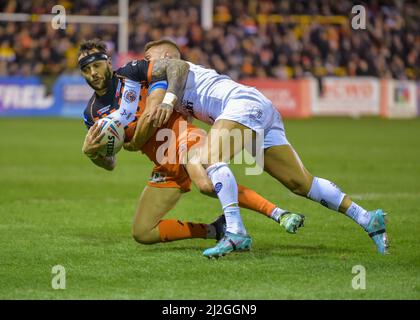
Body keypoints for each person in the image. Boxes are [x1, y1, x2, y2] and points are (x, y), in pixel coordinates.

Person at [142, 39, 389, 257]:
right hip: (257, 107)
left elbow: (179, 66)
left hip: (241, 105)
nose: (145, 65)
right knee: (301, 183)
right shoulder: (175, 85)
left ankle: (236, 232)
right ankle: (367, 217)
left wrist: (168, 100)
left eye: (148, 58)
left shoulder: (172, 67)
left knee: (211, 158)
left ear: (165, 57)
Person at [79, 39, 304, 249]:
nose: (93, 73)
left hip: (185, 139)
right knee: (143, 232)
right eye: (86, 70)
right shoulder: (91, 114)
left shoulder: (132, 73)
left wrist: (162, 107)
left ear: (108, 62)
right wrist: (92, 154)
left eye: (97, 66)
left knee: (206, 184)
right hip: (164, 164)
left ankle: (279, 214)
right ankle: (215, 229)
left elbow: (176, 67)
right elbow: (110, 162)